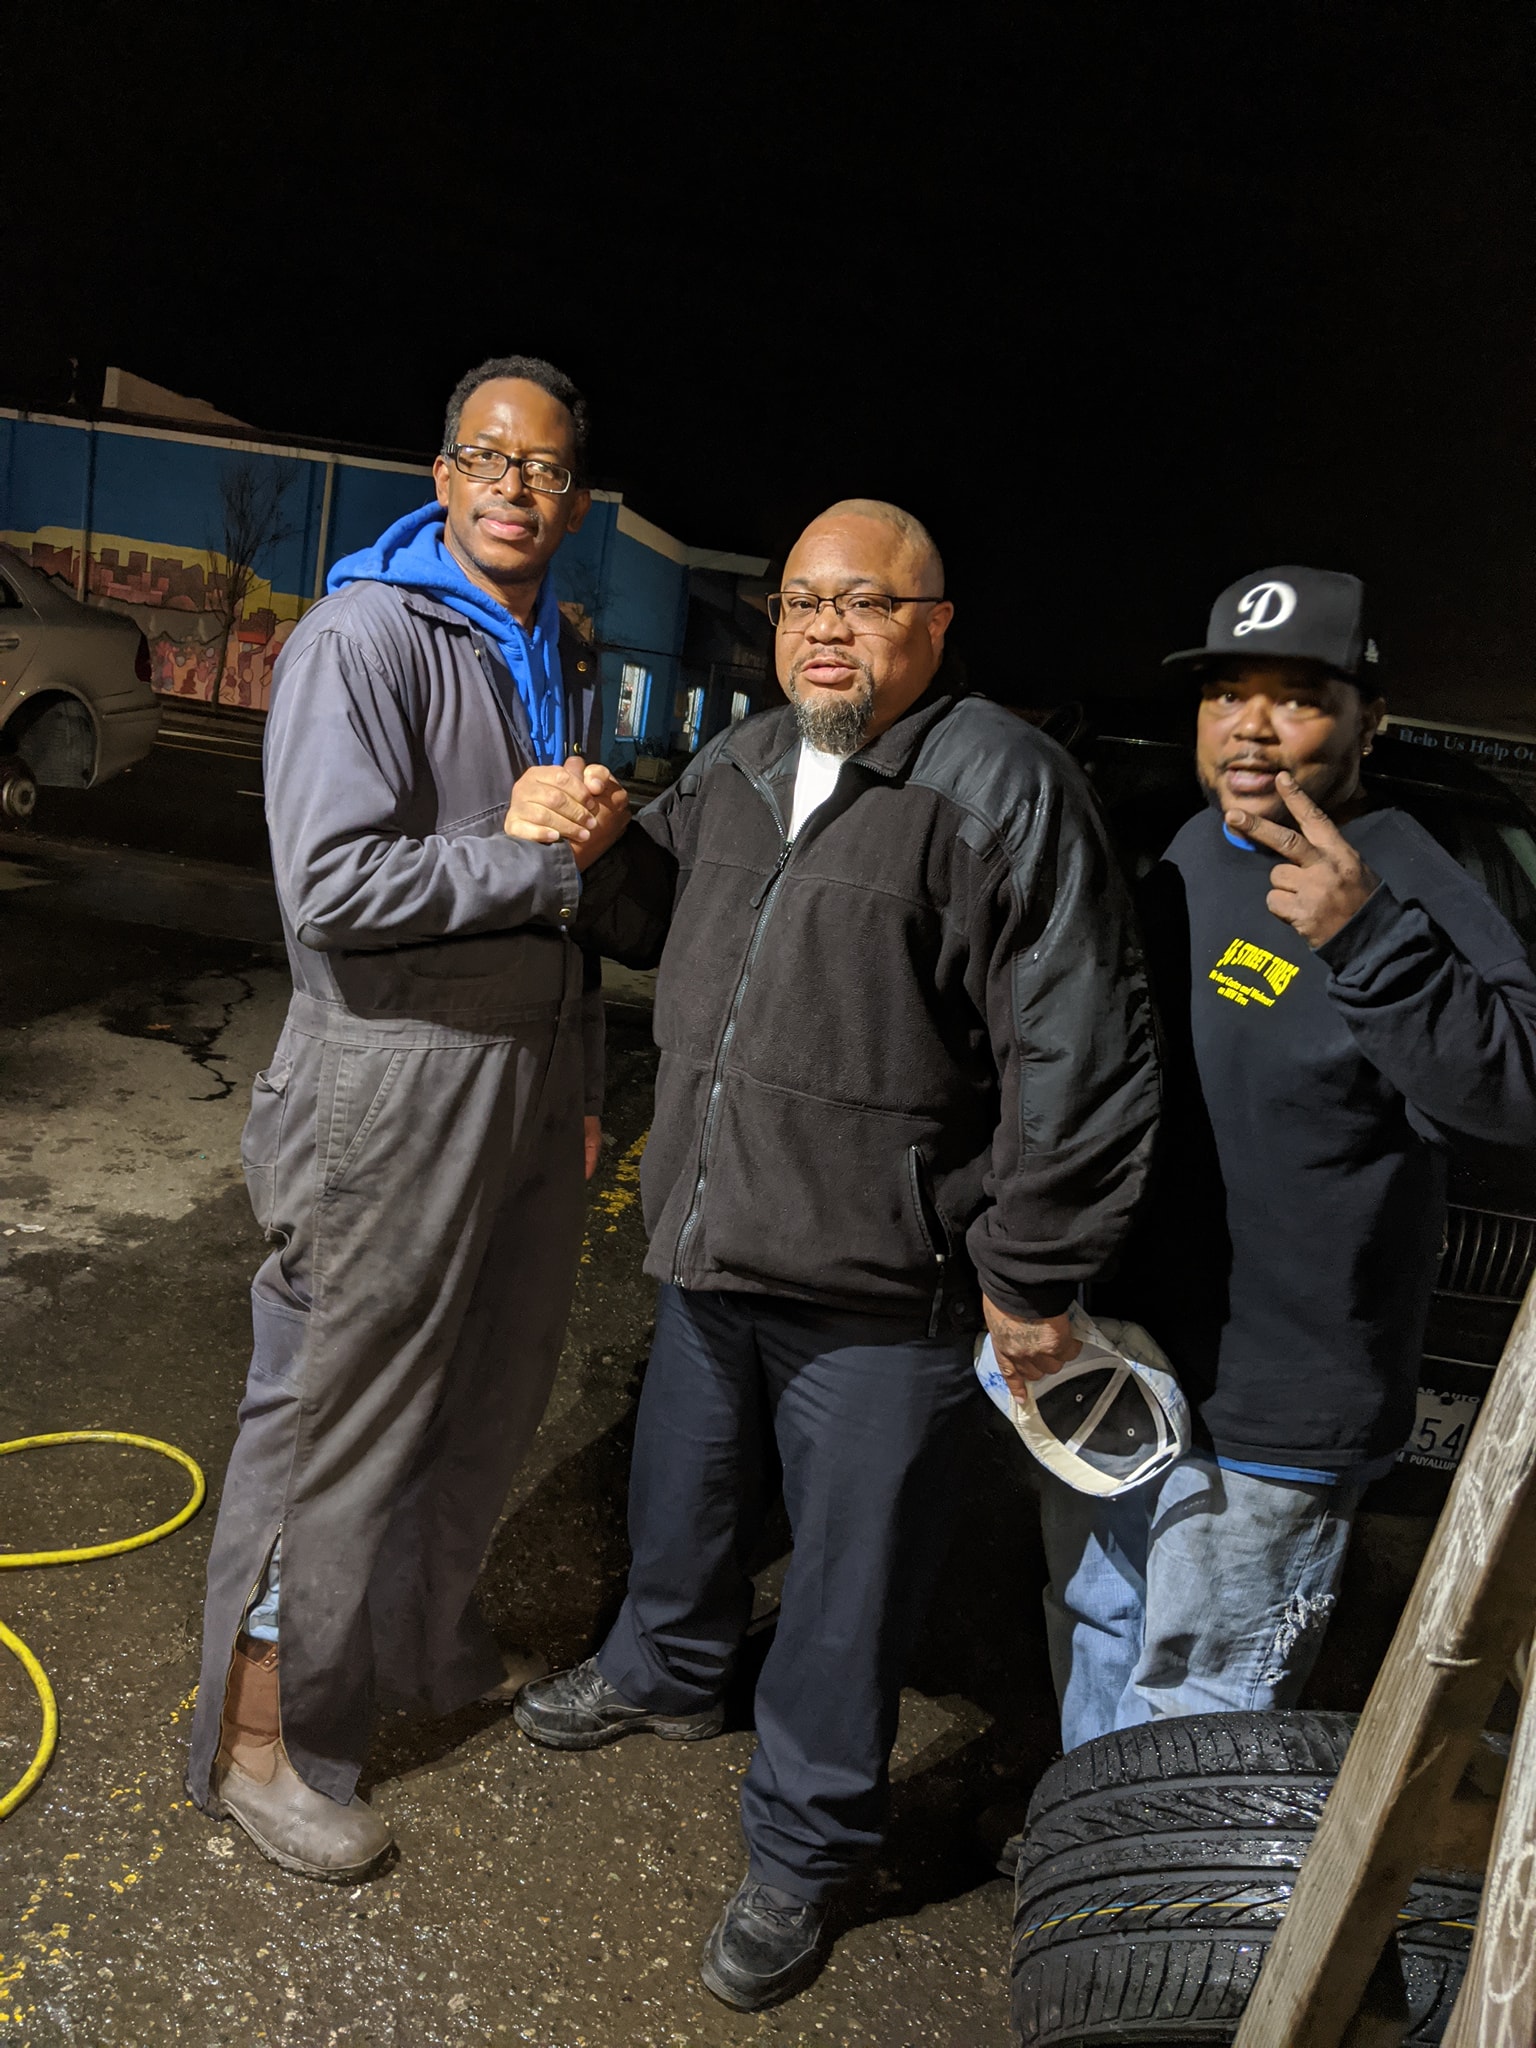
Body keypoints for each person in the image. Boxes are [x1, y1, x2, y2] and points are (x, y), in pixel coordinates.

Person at [505, 500, 1160, 2009]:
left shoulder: (1000, 786)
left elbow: (1080, 1050)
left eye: (864, 604)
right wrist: (599, 850)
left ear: (935, 626)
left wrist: (1030, 1272)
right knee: (681, 1494)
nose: (823, 630)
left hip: (883, 1285)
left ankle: (805, 1847)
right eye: (803, 602)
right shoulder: (740, 761)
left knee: (850, 1590)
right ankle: (664, 1669)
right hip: (716, 1239)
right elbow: (652, 920)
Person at [185, 355, 630, 1878]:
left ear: (575, 500)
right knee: (334, 1418)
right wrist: (533, 853)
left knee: (487, 1393)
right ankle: (263, 1744)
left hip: (525, 1083)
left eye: (546, 468)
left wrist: (579, 1083)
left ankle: (416, 1648)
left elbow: (572, 902)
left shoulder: (557, 643)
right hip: (389, 1080)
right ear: (441, 477)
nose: (517, 487)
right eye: (489, 458)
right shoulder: (362, 636)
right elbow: (331, 885)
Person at [1039, 564, 1536, 1755]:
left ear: (1371, 720)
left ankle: (1152, 1878)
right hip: (1127, 1363)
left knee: (1196, 1707)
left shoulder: (1403, 870)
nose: (1251, 726)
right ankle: (1081, 1858)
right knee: (1098, 1627)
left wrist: (1370, 940)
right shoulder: (1182, 849)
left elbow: (1517, 1091)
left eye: (1297, 697)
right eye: (1227, 693)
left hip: (1274, 1414)